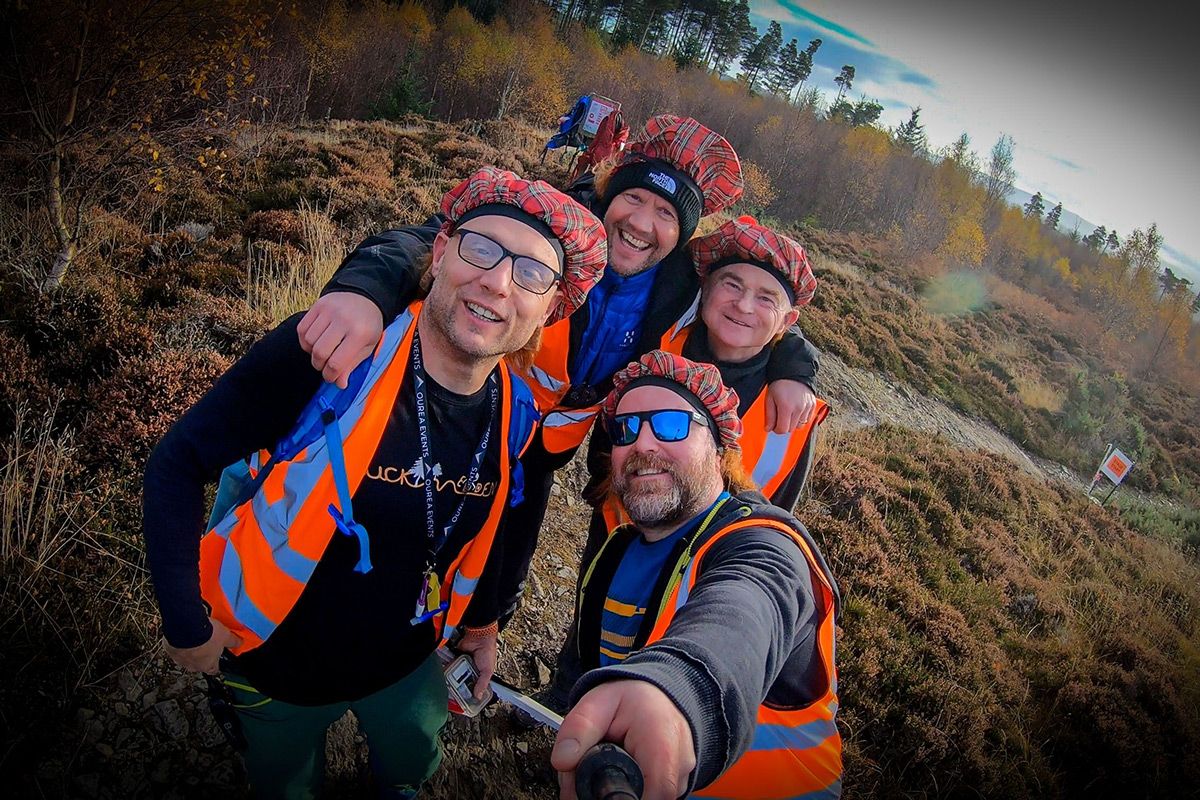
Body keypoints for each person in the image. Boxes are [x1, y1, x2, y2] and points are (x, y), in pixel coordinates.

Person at [142, 167, 607, 799]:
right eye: (482, 248)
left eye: (531, 273)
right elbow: (177, 463)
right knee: (285, 784)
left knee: (413, 760)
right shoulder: (333, 356)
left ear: (550, 309)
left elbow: (491, 522)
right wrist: (184, 621)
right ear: (439, 254)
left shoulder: (515, 410)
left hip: (407, 664)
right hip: (273, 666)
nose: (498, 281)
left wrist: (480, 627)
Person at [295, 115, 822, 628]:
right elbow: (431, 239)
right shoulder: (556, 224)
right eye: (634, 198)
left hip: (546, 450)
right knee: (410, 527)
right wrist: (364, 291)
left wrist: (793, 366)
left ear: (681, 232)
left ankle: (476, 630)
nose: (642, 223)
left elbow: (758, 306)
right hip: (467, 417)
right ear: (609, 193)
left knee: (507, 560)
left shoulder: (684, 282)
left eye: (666, 212)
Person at [550, 351, 842, 800]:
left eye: (671, 425)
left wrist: (679, 688)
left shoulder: (763, 545)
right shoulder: (619, 548)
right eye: (626, 429)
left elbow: (741, 614)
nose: (643, 444)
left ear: (721, 449)